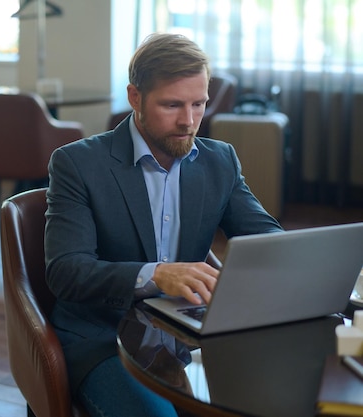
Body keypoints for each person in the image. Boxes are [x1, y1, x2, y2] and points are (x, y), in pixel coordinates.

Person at [44, 32, 283, 417]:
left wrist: (296, 263)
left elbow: (266, 239)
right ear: (135, 98)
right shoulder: (77, 164)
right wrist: (157, 275)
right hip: (103, 339)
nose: (188, 121)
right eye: (171, 105)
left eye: (198, 103)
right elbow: (66, 272)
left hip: (187, 333)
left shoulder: (220, 160)